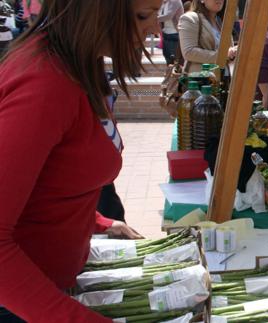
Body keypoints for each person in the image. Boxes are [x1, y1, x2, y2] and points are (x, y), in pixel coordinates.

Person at [0, 0, 155, 321]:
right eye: (144, 15)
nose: (154, 28)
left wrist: (98, 221)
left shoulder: (82, 62)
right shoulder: (45, 86)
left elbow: (51, 178)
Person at [178, 0, 237, 73]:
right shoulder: (190, 18)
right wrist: (223, 55)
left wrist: (234, 52)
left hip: (223, 78)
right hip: (200, 79)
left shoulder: (220, 21)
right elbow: (189, 52)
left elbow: (228, 53)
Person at [158, 0, 184, 65]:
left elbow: (168, 16)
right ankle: (170, 74)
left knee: (174, 59)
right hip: (165, 33)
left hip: (175, 33)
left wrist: (153, 19)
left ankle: (175, 74)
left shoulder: (175, 1)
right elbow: (158, 14)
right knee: (167, 57)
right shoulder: (164, 2)